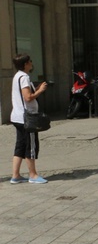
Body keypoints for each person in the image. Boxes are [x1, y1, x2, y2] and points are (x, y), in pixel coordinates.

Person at [10, 54, 48, 184]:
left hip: (17, 117)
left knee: (20, 146)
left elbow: (26, 95)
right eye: (30, 61)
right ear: (26, 64)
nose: (32, 63)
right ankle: (33, 175)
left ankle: (15, 175)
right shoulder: (24, 77)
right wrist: (40, 91)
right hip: (27, 119)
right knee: (31, 146)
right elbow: (27, 97)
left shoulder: (17, 76)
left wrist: (35, 90)